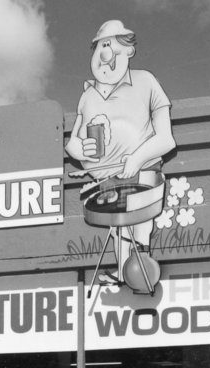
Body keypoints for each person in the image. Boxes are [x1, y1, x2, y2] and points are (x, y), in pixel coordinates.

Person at [66, 19, 177, 284]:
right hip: (104, 182)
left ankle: (139, 271)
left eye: (114, 46)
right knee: (118, 227)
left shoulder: (146, 82)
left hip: (142, 175)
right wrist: (79, 149)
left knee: (138, 221)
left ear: (129, 51)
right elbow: (71, 142)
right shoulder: (88, 95)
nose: (106, 54)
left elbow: (167, 139)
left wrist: (137, 158)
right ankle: (125, 271)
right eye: (102, 46)